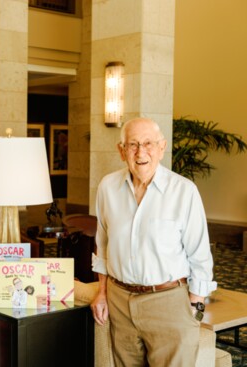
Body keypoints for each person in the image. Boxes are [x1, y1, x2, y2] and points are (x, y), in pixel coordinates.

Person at [90, 117, 217, 366]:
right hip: (120, 301)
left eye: (148, 143)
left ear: (162, 147)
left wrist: (195, 308)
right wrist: (102, 293)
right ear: (121, 150)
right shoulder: (108, 187)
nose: (140, 152)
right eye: (133, 144)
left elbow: (200, 255)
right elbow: (103, 245)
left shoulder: (184, 191)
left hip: (168, 301)